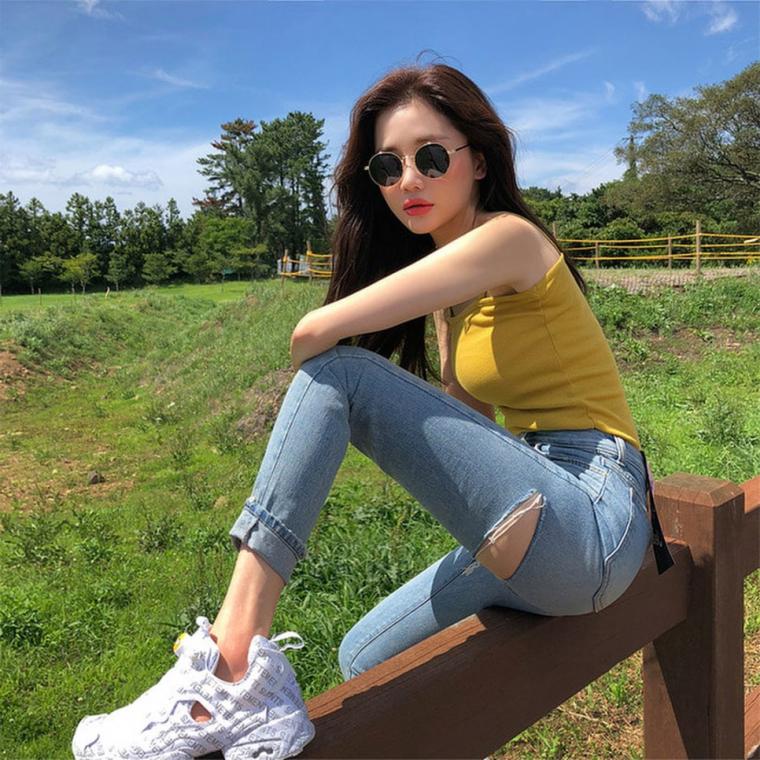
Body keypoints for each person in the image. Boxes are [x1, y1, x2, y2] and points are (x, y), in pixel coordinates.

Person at [72, 60, 673, 759]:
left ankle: (230, 668)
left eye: (431, 157)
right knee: (368, 656)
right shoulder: (453, 306)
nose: (409, 180)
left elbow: (310, 336)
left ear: (478, 161)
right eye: (388, 167)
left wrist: (350, 399)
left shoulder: (511, 238)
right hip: (543, 516)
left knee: (341, 374)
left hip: (596, 506)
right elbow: (473, 438)